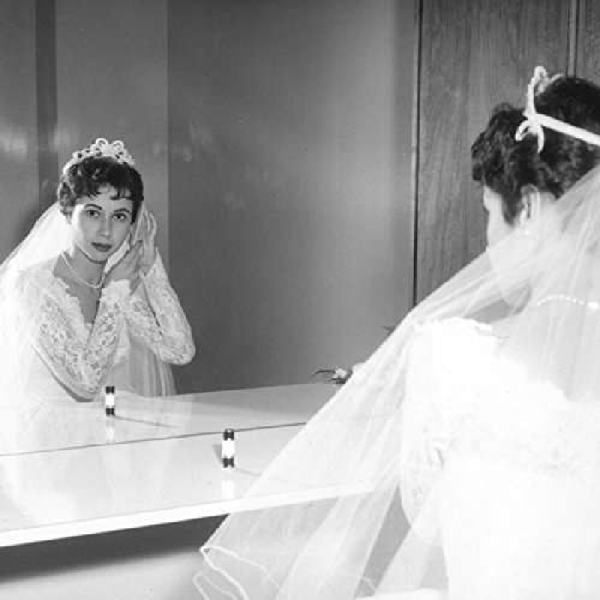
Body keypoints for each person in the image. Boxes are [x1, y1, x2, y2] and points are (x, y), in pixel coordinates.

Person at [193, 67, 600, 599]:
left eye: (488, 213)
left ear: (528, 208)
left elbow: (429, 525)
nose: (487, 240)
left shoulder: (454, 356)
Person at [0, 138, 195, 412]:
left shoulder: (119, 282)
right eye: (93, 213)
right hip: (52, 431)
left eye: (120, 217)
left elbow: (180, 350)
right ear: (68, 211)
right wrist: (113, 291)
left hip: (111, 427)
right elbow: (85, 384)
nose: (106, 230)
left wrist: (152, 268)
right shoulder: (30, 285)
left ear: (133, 223)